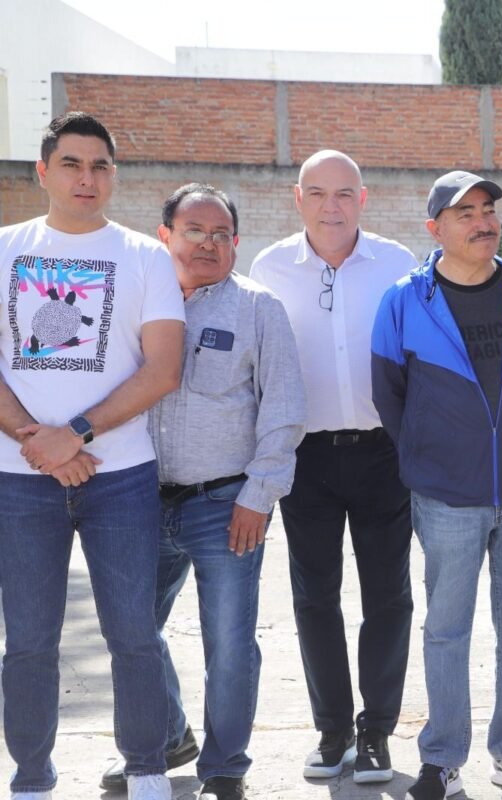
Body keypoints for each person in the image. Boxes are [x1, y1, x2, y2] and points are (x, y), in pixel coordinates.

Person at [98, 183, 307, 800]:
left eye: (221, 234)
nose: (208, 243)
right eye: (195, 230)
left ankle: (223, 769)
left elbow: (285, 409)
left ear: (236, 244)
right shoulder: (135, 300)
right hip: (133, 499)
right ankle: (161, 741)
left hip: (226, 504)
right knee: (131, 631)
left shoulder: (257, 309)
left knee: (230, 644)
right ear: (165, 236)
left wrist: (259, 495)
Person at [0, 112, 185, 800]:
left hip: (121, 480)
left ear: (113, 175)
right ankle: (30, 779)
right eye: (72, 164)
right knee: (28, 640)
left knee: (134, 634)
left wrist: (72, 433)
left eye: (100, 165)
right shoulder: (5, 251)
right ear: (43, 171)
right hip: (18, 481)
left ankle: (146, 772)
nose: (87, 178)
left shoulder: (143, 257)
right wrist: (36, 441)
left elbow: (163, 367)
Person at [371, 171, 502, 800]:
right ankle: (443, 759)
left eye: (488, 210)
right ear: (435, 229)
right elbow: (390, 396)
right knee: (447, 628)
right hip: (446, 496)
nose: (483, 222)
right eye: (464, 213)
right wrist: (430, 459)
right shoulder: (404, 300)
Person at [249, 150, 418, 784]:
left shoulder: (399, 265)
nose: (332, 205)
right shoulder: (268, 269)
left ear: (363, 198)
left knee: (388, 597)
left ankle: (376, 734)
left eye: (344, 193)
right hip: (305, 457)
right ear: (298, 199)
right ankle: (332, 732)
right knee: (314, 596)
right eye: (317, 193)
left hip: (383, 454)